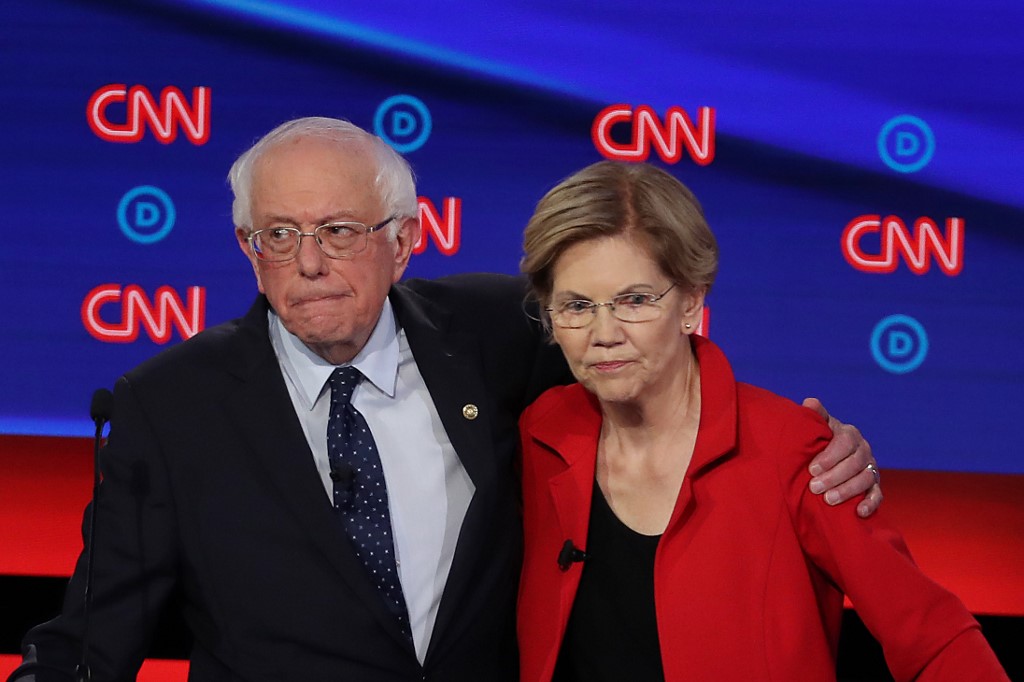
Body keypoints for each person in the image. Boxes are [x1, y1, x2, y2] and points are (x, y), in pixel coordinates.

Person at [10, 119, 878, 682]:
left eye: (339, 232)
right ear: (248, 248)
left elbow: (653, 373)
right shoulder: (170, 407)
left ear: (406, 239)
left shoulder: (501, 333)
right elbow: (93, 637)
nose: (308, 263)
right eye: (279, 236)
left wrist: (808, 440)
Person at [515, 160, 1008, 681]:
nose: (604, 331)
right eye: (576, 306)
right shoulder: (536, 435)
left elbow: (934, 637)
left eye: (635, 300)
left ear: (691, 300)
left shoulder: (796, 452)